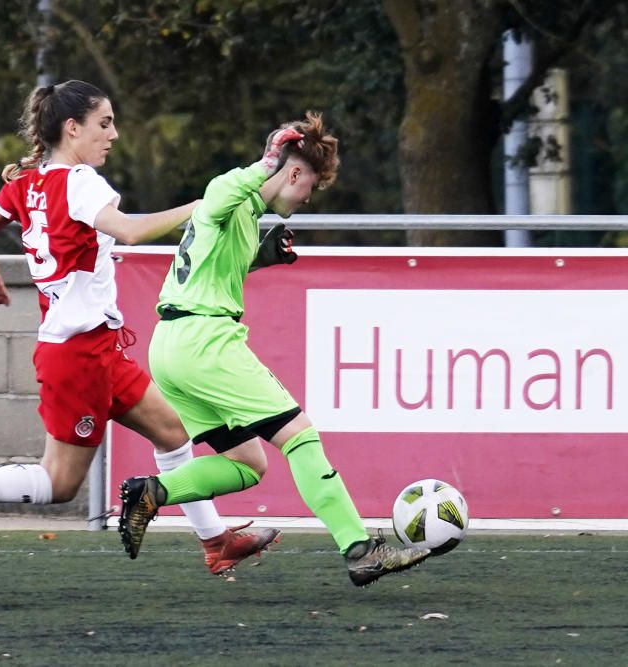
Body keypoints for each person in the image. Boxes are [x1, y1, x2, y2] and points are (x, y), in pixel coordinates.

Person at [0, 79, 279, 575]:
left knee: (174, 433)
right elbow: (129, 230)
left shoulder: (28, 182)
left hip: (98, 349)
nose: (113, 134)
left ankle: (215, 541)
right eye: (104, 123)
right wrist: (206, 205)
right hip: (78, 355)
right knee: (60, 483)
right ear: (72, 128)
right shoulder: (81, 181)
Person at [117, 112, 431, 587]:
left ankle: (152, 492)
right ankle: (361, 550)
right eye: (310, 186)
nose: (307, 198)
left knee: (249, 466)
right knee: (300, 436)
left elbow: (212, 265)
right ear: (294, 172)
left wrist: (262, 257)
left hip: (173, 346)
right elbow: (216, 195)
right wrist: (264, 164)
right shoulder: (235, 195)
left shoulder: (245, 215)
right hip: (206, 343)